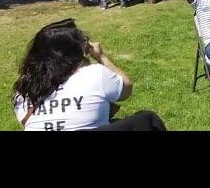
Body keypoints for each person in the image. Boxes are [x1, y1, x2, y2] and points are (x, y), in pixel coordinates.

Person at [12, 18, 166, 131]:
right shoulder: (95, 74)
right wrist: (101, 56)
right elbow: (126, 88)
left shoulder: (24, 88)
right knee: (146, 121)